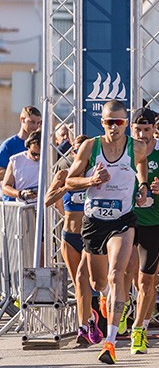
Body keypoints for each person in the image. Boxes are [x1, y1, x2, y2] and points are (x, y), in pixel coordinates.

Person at [64, 100, 140, 365]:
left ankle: (110, 342)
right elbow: (69, 182)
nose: (114, 127)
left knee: (117, 273)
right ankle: (106, 300)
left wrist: (148, 190)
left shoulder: (136, 148)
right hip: (94, 221)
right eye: (110, 122)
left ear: (126, 123)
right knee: (98, 284)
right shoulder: (90, 147)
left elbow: (152, 173)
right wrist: (91, 181)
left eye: (119, 122)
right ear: (102, 123)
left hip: (122, 220)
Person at [44, 136, 100, 346]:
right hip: (69, 235)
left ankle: (91, 317)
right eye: (75, 151)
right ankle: (84, 326)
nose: (78, 156)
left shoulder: (94, 175)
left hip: (89, 234)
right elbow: (47, 201)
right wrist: (66, 187)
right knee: (79, 283)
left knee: (88, 280)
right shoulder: (63, 174)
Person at [129, 110, 159, 355]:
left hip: (154, 221)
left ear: (154, 129)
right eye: (138, 130)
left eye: (147, 130)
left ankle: (140, 329)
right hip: (126, 221)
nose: (142, 135)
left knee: (144, 281)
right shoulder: (123, 149)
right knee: (129, 277)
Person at [0, 106, 43, 192]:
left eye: (39, 123)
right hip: (14, 200)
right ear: (22, 120)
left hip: (35, 198)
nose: (35, 126)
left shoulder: (42, 143)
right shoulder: (8, 145)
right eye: (32, 122)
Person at [2, 129, 41, 203]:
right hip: (24, 208)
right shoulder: (15, 160)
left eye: (40, 154)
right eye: (34, 154)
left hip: (46, 208)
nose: (37, 157)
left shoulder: (49, 159)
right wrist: (20, 194)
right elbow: (5, 187)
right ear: (27, 147)